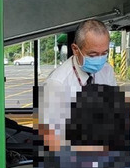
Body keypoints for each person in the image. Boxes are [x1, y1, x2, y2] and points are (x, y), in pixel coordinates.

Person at [39, 19, 116, 151]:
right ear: (75, 49)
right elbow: (49, 138)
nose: (100, 59)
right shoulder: (56, 83)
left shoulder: (107, 71)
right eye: (93, 54)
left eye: (104, 53)